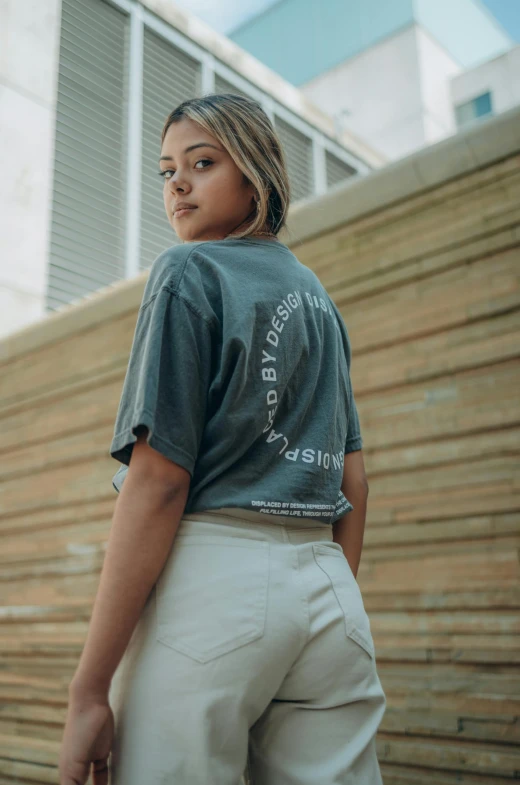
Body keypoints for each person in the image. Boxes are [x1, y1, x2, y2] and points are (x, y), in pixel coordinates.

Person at [58, 93, 387, 785]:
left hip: (215, 585)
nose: (176, 183)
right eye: (165, 170)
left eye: (201, 163)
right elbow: (354, 484)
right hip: (330, 596)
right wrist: (310, 607)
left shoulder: (189, 273)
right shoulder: (320, 303)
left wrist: (88, 688)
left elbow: (159, 480)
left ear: (257, 175)